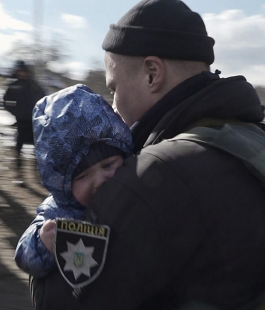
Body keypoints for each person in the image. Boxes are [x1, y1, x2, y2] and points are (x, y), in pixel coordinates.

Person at [30, 0, 265, 309]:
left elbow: (59, 302)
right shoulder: (253, 138)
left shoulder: (151, 174)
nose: (113, 107)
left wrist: (50, 238)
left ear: (153, 73)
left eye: (114, 89)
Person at [15, 84, 133, 278]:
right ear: (62, 185)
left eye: (108, 165)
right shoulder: (60, 211)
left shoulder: (134, 185)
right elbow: (23, 255)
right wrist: (42, 243)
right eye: (82, 176)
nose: (99, 181)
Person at [3, 60, 46, 167]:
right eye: (19, 71)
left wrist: (39, 112)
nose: (21, 73)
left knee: (36, 145)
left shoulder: (33, 84)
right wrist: (16, 111)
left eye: (23, 71)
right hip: (21, 120)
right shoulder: (13, 85)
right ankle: (18, 167)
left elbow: (44, 98)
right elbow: (6, 102)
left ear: (26, 71)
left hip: (34, 120)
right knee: (19, 143)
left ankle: (37, 168)